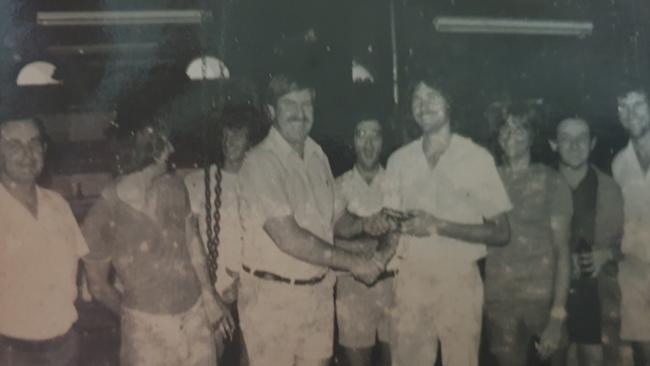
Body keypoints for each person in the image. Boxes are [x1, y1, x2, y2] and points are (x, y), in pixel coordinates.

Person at [236, 71, 385, 366]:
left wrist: (365, 227)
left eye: (307, 104)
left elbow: (332, 221)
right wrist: (355, 261)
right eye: (290, 104)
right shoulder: (260, 162)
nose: (300, 113)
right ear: (270, 111)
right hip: (272, 301)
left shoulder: (318, 155)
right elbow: (290, 238)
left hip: (318, 296)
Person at [381, 77, 512, 366]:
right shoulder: (399, 160)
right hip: (410, 282)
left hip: (459, 282)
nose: (423, 105)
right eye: (417, 98)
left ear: (450, 102)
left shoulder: (476, 158)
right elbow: (390, 226)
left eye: (432, 96)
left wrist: (438, 225)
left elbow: (501, 232)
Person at [81, 122, 234, 366]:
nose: (171, 149)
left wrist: (208, 296)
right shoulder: (102, 215)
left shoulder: (174, 187)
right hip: (146, 334)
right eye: (163, 144)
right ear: (144, 152)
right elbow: (97, 286)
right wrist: (135, 318)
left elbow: (193, 242)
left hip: (195, 319)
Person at [483, 103, 573, 366]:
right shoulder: (485, 181)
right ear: (497, 135)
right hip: (500, 303)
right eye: (505, 128)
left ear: (532, 136)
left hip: (543, 302)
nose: (511, 135)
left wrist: (557, 316)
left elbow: (563, 252)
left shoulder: (552, 181)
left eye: (520, 128)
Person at [0, 117, 89, 366]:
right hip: (11, 353)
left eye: (34, 144)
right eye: (14, 145)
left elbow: (78, 265)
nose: (27, 154)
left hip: (65, 348)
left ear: (45, 150)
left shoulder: (58, 204)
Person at [184, 105, 258, 363]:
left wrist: (242, 283)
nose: (230, 142)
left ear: (250, 140)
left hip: (252, 288)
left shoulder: (261, 182)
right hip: (212, 292)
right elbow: (189, 238)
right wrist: (215, 295)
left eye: (237, 135)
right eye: (226, 135)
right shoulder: (196, 182)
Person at [550, 117, 624, 366]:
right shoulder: (541, 185)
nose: (574, 145)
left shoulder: (611, 188)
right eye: (565, 138)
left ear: (592, 143)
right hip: (548, 295)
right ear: (553, 144)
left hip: (596, 296)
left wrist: (609, 253)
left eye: (581, 138)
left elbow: (635, 239)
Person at [333, 112, 395, 366]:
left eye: (375, 136)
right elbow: (332, 237)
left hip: (395, 286)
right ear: (352, 141)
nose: (368, 144)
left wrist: (352, 232)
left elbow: (405, 235)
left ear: (384, 140)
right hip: (352, 289)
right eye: (361, 135)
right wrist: (370, 234)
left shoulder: (397, 182)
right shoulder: (338, 185)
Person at [612, 85, 650, 366]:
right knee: (643, 347)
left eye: (638, 105)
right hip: (635, 268)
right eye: (623, 107)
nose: (630, 114)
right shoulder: (619, 164)